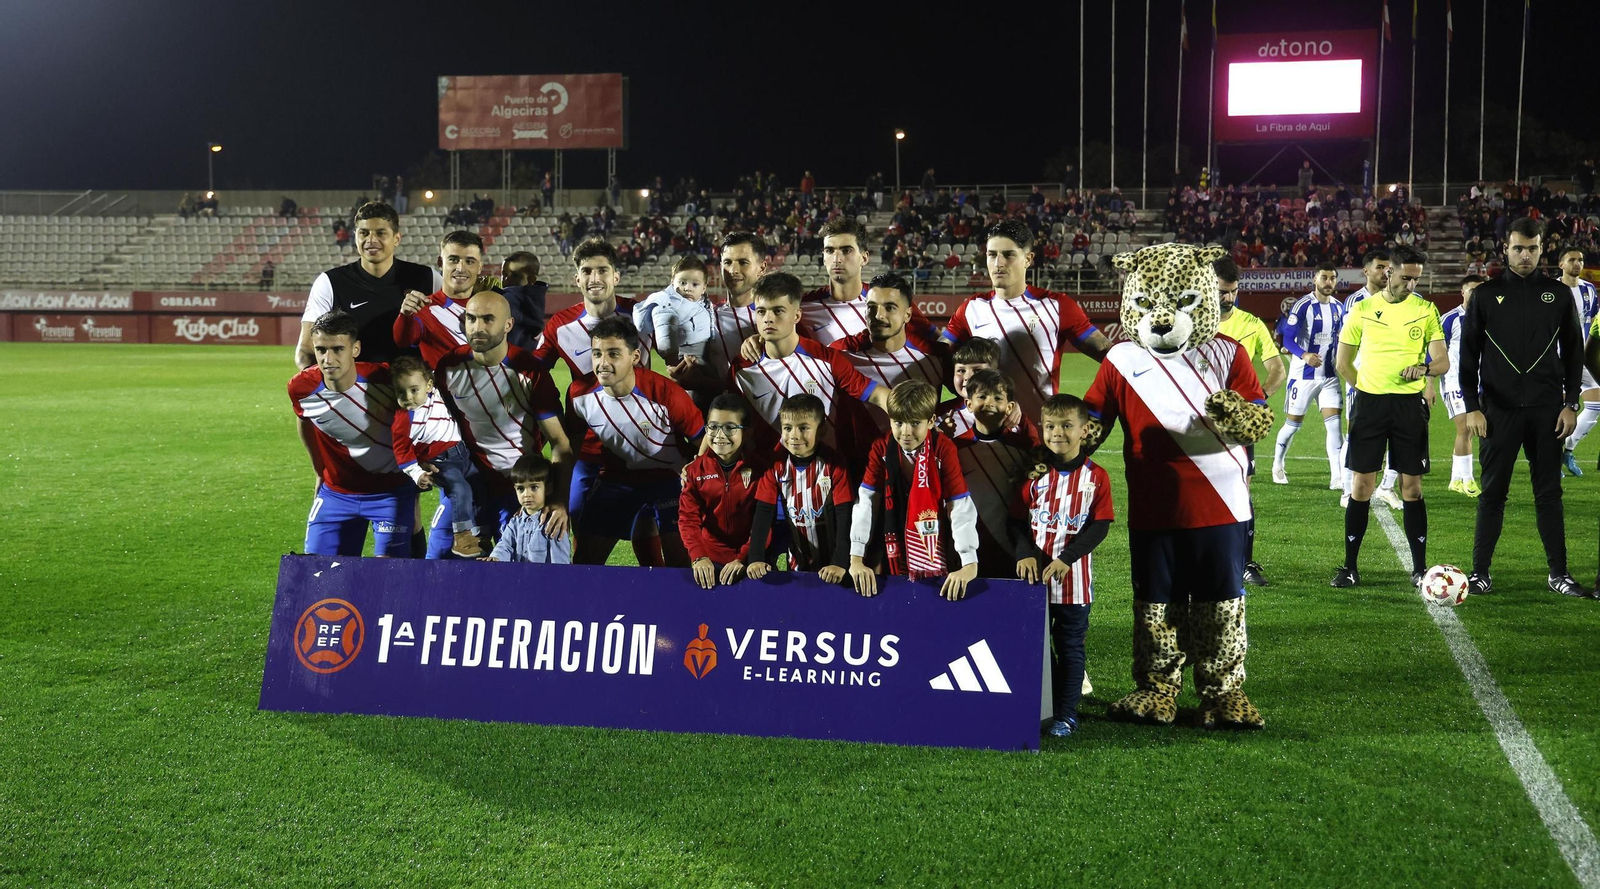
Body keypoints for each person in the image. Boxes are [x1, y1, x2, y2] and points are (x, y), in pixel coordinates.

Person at [1458, 218, 1590, 598]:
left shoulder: (1559, 294)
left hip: (1548, 411)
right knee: (1492, 493)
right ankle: (1480, 572)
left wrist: (1569, 404)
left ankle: (1559, 574)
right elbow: (1468, 357)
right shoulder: (1484, 295)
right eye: (1518, 248)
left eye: (1532, 248)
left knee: (1549, 493)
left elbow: (1574, 352)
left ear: (1542, 249)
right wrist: (1472, 407)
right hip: (1497, 411)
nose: (1525, 255)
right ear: (1506, 249)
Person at [1331, 245, 1447, 589]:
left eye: (1417, 279)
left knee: (1411, 488)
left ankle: (1419, 568)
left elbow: (1442, 362)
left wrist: (1424, 368)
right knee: (1362, 486)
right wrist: (1367, 389)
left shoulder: (1426, 310)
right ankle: (1350, 567)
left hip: (1409, 408)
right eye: (1406, 277)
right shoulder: (1362, 310)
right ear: (1389, 272)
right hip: (1370, 406)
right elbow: (1342, 363)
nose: (1411, 284)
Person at [1010, 393, 1114, 739]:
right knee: (1037, 648)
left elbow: (1100, 526)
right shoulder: (1033, 472)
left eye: (1067, 426)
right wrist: (1025, 553)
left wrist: (1066, 559)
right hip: (1033, 582)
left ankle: (1067, 715)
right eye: (1051, 426)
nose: (1058, 433)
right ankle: (1044, 708)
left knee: (1069, 647)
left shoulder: (1096, 477)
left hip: (1073, 582)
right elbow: (1015, 520)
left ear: (1085, 430)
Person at [435, 291, 575, 546]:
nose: (478, 327)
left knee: (513, 570)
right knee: (438, 556)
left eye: (488, 319)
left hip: (518, 487)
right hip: (470, 483)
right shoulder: (449, 366)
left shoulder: (530, 371)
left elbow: (559, 443)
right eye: (472, 319)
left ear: (508, 324)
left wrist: (558, 501)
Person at [564, 316, 704, 567]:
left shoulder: (667, 393)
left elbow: (702, 441)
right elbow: (570, 446)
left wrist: (696, 478)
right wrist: (558, 496)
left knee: (680, 565)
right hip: (616, 479)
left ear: (635, 357)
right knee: (585, 562)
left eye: (613, 354)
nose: (602, 363)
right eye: (597, 354)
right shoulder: (579, 394)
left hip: (669, 479)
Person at [942, 219, 1111, 420]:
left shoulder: (1056, 306)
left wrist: (1093, 410)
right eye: (992, 255)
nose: (998, 263)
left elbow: (1109, 356)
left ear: (1028, 259)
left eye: (1008, 254)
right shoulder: (971, 308)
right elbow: (936, 358)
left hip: (1040, 436)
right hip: (987, 437)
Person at [288, 310, 414, 557]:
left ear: (355, 349)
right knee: (316, 572)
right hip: (336, 493)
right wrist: (319, 470)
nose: (328, 358)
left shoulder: (386, 380)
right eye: (321, 349)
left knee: (389, 577)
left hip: (390, 494)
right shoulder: (301, 388)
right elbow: (303, 419)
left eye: (338, 349)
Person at [730, 271, 890, 455]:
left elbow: (877, 395)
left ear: (797, 316)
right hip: (770, 476)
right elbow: (727, 420)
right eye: (761, 311)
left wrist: (916, 417)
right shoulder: (741, 367)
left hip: (827, 474)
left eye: (778, 311)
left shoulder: (827, 359)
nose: (768, 318)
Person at [847, 381, 980, 600]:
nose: (905, 432)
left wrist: (969, 562)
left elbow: (959, 505)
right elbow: (867, 502)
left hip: (936, 540)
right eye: (898, 422)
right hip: (889, 538)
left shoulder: (943, 447)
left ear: (930, 422)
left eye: (914, 423)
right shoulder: (881, 447)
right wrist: (856, 558)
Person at [295, 201, 441, 368]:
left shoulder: (428, 278)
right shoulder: (330, 282)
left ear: (397, 238)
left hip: (409, 391)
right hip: (353, 391)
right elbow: (306, 348)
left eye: (381, 233)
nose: (371, 240)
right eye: (364, 233)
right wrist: (317, 386)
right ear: (355, 236)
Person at [1215, 257, 1287, 586]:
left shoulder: (1251, 324)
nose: (1226, 298)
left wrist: (1255, 403)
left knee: (1241, 490)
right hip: (1196, 421)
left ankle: (1245, 562)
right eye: (1220, 291)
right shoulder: (1188, 323)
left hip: (1238, 425)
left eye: (1231, 292)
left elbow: (1277, 370)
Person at [745, 394, 854, 582]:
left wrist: (840, 562)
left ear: (821, 430)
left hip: (835, 566)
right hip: (797, 566)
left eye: (804, 428)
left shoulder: (835, 464)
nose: (794, 436)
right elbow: (763, 514)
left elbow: (845, 517)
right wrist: (755, 558)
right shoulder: (775, 465)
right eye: (787, 428)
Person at [388, 355, 486, 558]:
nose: (408, 397)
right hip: (441, 462)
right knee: (460, 489)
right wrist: (417, 474)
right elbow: (402, 452)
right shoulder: (403, 419)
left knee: (479, 488)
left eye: (414, 389)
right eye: (401, 392)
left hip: (463, 454)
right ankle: (463, 537)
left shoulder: (436, 394)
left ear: (429, 385)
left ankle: (479, 533)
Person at [828, 272, 946, 438]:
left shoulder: (935, 356)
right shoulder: (841, 353)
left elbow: (960, 394)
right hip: (859, 462)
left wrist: (944, 416)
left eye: (889, 307)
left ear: (908, 315)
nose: (878, 315)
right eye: (872, 307)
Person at [948, 369, 1036, 579]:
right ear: (969, 404)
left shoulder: (1024, 447)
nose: (989, 403)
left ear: (1010, 406)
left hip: (1015, 547)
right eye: (981, 396)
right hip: (970, 550)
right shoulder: (955, 449)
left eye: (998, 398)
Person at [798, 217, 939, 346]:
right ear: (823, 258)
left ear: (864, 258)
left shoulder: (891, 300)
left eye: (846, 250)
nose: (836, 259)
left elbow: (938, 340)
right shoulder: (802, 307)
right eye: (829, 251)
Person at [670, 231, 767, 409]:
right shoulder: (704, 318)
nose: (733, 270)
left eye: (743, 262)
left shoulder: (776, 317)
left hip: (769, 422)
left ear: (762, 268)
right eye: (728, 262)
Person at [680, 393, 767, 589]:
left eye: (729, 427)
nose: (719, 435)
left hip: (753, 561)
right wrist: (699, 557)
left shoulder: (762, 471)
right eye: (713, 427)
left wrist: (745, 558)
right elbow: (688, 519)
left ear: (747, 433)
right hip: (710, 562)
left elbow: (765, 522)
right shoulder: (695, 471)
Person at [1271, 262, 1345, 490]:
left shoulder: (1339, 307)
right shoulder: (1303, 306)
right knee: (1293, 425)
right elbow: (1287, 340)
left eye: (1332, 278)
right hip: (1303, 376)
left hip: (1329, 375)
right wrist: (1304, 355)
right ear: (1315, 280)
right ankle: (1278, 464)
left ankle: (1337, 477)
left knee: (1334, 427)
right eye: (1324, 277)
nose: (1328, 282)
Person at [1339, 249, 1404, 509]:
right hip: (1362, 377)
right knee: (1354, 434)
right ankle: (1347, 489)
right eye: (1379, 267)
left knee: (1398, 433)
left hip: (1394, 376)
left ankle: (1387, 486)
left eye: (1388, 268)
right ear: (1366, 271)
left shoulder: (1400, 298)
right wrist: (1358, 382)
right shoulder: (1355, 301)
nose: (1385, 272)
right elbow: (1347, 343)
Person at [532, 238, 651, 379]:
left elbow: (676, 355)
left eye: (602, 271)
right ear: (577, 280)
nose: (594, 279)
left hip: (642, 401)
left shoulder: (643, 314)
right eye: (587, 271)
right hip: (585, 401)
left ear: (616, 277)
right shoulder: (560, 325)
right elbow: (533, 371)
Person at [392, 230, 484, 368]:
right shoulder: (423, 307)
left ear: (479, 267)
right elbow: (403, 340)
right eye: (453, 260)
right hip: (444, 389)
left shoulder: (490, 307)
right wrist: (405, 315)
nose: (460, 268)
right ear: (440, 263)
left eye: (469, 261)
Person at [1441, 275, 1486, 496]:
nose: (1475, 294)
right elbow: (1436, 353)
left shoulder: (1490, 319)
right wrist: (1430, 384)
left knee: (1469, 432)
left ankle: (1455, 479)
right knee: (1465, 428)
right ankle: (1468, 481)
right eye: (1472, 290)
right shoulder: (1450, 319)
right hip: (1454, 381)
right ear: (1463, 292)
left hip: (1481, 383)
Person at [1556, 246, 1600, 476]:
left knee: (1596, 404)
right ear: (1561, 264)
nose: (1577, 263)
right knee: (1557, 409)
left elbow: (1592, 322)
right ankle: (1552, 457)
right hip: (1555, 358)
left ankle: (1567, 451)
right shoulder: (1550, 290)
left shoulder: (1589, 290)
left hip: (1581, 356)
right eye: (1572, 259)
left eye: (1580, 260)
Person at [487, 454, 572, 564]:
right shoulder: (515, 522)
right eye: (521, 489)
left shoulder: (553, 524)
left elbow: (561, 563)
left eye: (534, 487)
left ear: (548, 488)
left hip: (543, 580)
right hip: (520, 580)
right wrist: (495, 558)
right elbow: (505, 546)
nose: (526, 494)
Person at [635, 255, 714, 366]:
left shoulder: (706, 306)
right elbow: (665, 338)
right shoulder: (666, 304)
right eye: (682, 283)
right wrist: (673, 362)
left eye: (695, 284)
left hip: (706, 363)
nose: (688, 288)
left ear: (703, 288)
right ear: (672, 283)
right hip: (684, 364)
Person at [500, 251, 548, 353]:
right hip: (528, 353)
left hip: (507, 358)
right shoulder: (537, 296)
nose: (506, 279)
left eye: (515, 275)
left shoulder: (509, 298)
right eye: (504, 274)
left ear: (531, 279)